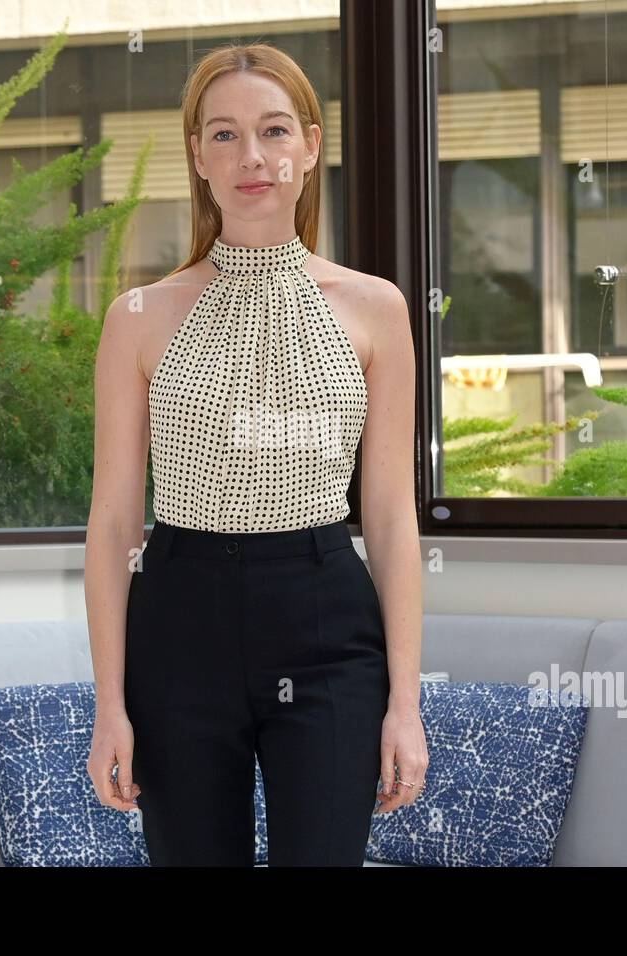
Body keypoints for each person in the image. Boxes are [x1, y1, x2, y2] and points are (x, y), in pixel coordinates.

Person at [85, 41, 427, 866]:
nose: (253, 157)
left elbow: (387, 516)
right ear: (198, 156)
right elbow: (113, 523)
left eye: (274, 131)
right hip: (180, 625)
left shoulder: (377, 310)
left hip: (326, 624)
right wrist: (110, 706)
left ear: (310, 146)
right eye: (225, 135)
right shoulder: (138, 316)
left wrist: (406, 704)